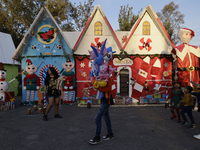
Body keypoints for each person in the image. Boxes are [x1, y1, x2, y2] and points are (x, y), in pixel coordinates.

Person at [88, 77, 114, 145]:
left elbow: (109, 88)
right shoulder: (101, 77)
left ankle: (97, 138)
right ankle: (110, 134)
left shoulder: (108, 78)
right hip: (103, 99)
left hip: (106, 100)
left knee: (97, 118)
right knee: (106, 117)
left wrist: (99, 88)